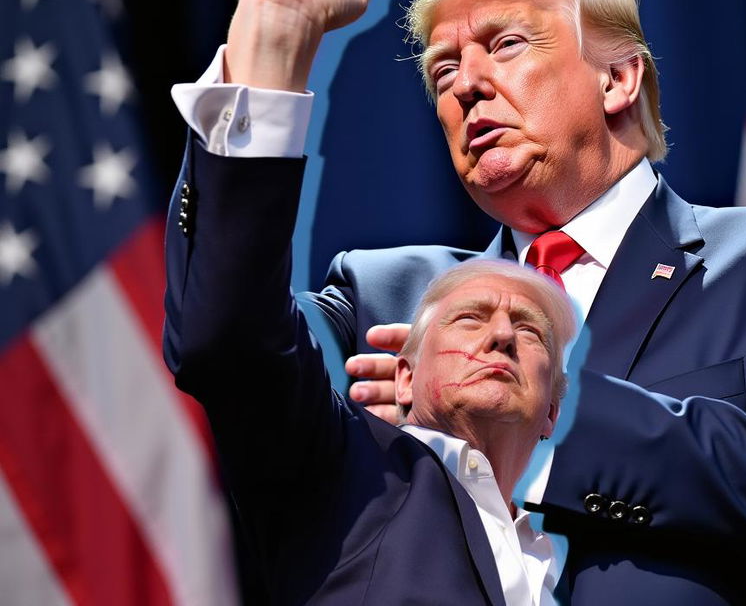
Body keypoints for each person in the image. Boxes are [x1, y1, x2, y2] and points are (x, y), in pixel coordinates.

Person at [168, 0, 746, 604]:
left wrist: (554, 421)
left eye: (505, 44)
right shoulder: (382, 299)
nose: (465, 84)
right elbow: (222, 346)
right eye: (442, 71)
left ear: (618, 79)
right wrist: (272, 40)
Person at [166, 249, 576, 604]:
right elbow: (239, 334)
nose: (503, 335)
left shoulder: (572, 564)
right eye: (471, 318)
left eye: (529, 330)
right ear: (404, 379)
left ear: (552, 412)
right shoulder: (341, 466)